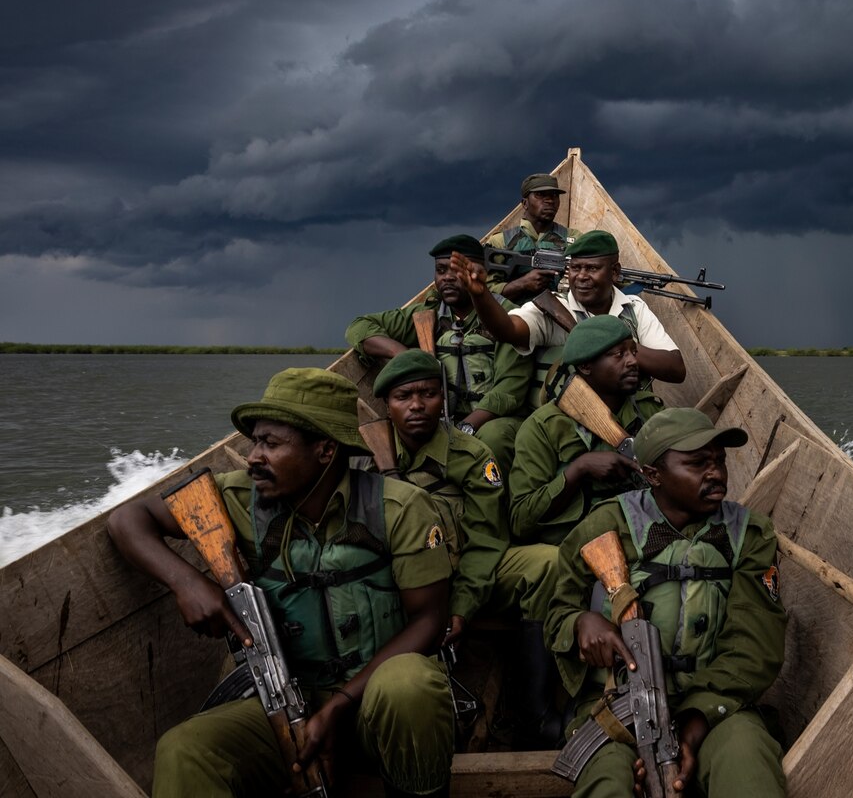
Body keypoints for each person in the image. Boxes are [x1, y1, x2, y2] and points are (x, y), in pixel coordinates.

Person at [106, 368, 454, 797]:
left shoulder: (399, 508)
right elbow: (127, 520)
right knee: (185, 749)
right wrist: (187, 581)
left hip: (374, 707)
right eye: (255, 441)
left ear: (325, 450)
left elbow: (431, 621)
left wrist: (342, 704)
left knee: (409, 685)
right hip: (286, 704)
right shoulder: (234, 499)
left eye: (271, 444)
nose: (252, 456)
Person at [544, 406, 787, 798]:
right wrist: (580, 624)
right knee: (607, 782)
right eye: (697, 463)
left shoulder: (749, 536)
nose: (716, 473)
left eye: (719, 461)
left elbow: (754, 647)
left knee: (748, 764)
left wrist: (697, 718)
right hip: (616, 706)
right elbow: (555, 613)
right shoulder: (605, 526)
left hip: (713, 705)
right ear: (652, 474)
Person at [371, 350, 561, 747]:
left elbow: (488, 539)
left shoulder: (470, 455)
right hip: (404, 587)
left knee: (547, 563)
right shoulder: (367, 457)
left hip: (470, 576)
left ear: (444, 399)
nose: (417, 405)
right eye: (403, 396)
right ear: (386, 406)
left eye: (428, 394)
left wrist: (461, 606)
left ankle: (535, 710)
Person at [347, 234, 532, 474]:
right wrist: (404, 355)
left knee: (492, 440)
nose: (447, 278)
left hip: (492, 419)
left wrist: (464, 428)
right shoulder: (431, 313)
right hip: (440, 418)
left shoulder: (506, 318)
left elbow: (508, 392)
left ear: (478, 271)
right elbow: (359, 328)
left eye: (456, 271)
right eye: (440, 270)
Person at [450, 229, 686, 407]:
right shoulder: (553, 307)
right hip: (571, 419)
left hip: (630, 411)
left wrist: (610, 345)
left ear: (614, 272)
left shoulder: (633, 308)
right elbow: (508, 329)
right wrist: (480, 296)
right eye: (575, 268)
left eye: (592, 269)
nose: (581, 277)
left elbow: (675, 369)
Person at [509, 315, 666, 547]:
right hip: (576, 549)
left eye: (634, 352)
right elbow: (521, 521)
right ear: (585, 366)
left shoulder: (650, 410)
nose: (633, 361)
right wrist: (579, 470)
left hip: (645, 536)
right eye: (619, 354)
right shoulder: (543, 426)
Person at [485, 172, 579, 302]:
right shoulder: (501, 242)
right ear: (525, 203)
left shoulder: (575, 239)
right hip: (513, 317)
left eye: (554, 195)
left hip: (563, 316)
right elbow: (485, 292)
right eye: (540, 195)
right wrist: (523, 284)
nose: (549, 200)